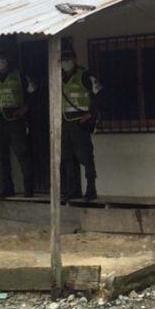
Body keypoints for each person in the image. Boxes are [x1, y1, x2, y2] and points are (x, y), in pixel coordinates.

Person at [0, 45, 36, 198]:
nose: (1, 61)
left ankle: (29, 188)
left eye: (3, 58)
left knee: (22, 153)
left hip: (15, 119)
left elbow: (33, 93)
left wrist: (26, 108)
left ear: (8, 60)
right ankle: (7, 187)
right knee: (1, 156)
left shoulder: (19, 75)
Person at [60, 46, 102, 201]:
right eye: (63, 59)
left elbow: (100, 94)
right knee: (68, 158)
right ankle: (73, 190)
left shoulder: (85, 75)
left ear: (75, 59)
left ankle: (91, 189)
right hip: (65, 123)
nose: (66, 62)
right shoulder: (60, 77)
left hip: (80, 123)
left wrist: (91, 114)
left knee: (86, 157)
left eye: (69, 58)